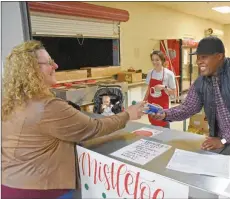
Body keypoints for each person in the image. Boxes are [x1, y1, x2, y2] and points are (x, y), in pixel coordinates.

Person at [1, 40, 145, 199]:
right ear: (32, 70)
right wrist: (128, 115)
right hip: (41, 190)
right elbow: (94, 128)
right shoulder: (49, 107)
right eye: (49, 62)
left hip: (10, 185)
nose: (55, 66)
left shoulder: (11, 102)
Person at [152, 37, 230, 150]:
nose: (199, 62)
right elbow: (188, 107)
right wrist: (165, 114)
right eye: (198, 57)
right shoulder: (201, 81)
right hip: (226, 140)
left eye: (204, 57)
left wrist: (224, 140)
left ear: (219, 56)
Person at [143, 50, 176, 128]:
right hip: (152, 103)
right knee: (153, 122)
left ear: (162, 60)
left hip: (162, 104)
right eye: (153, 60)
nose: (155, 62)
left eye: (157, 60)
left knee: (163, 123)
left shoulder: (169, 74)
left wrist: (163, 87)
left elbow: (173, 92)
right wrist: (144, 101)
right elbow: (148, 89)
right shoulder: (150, 73)